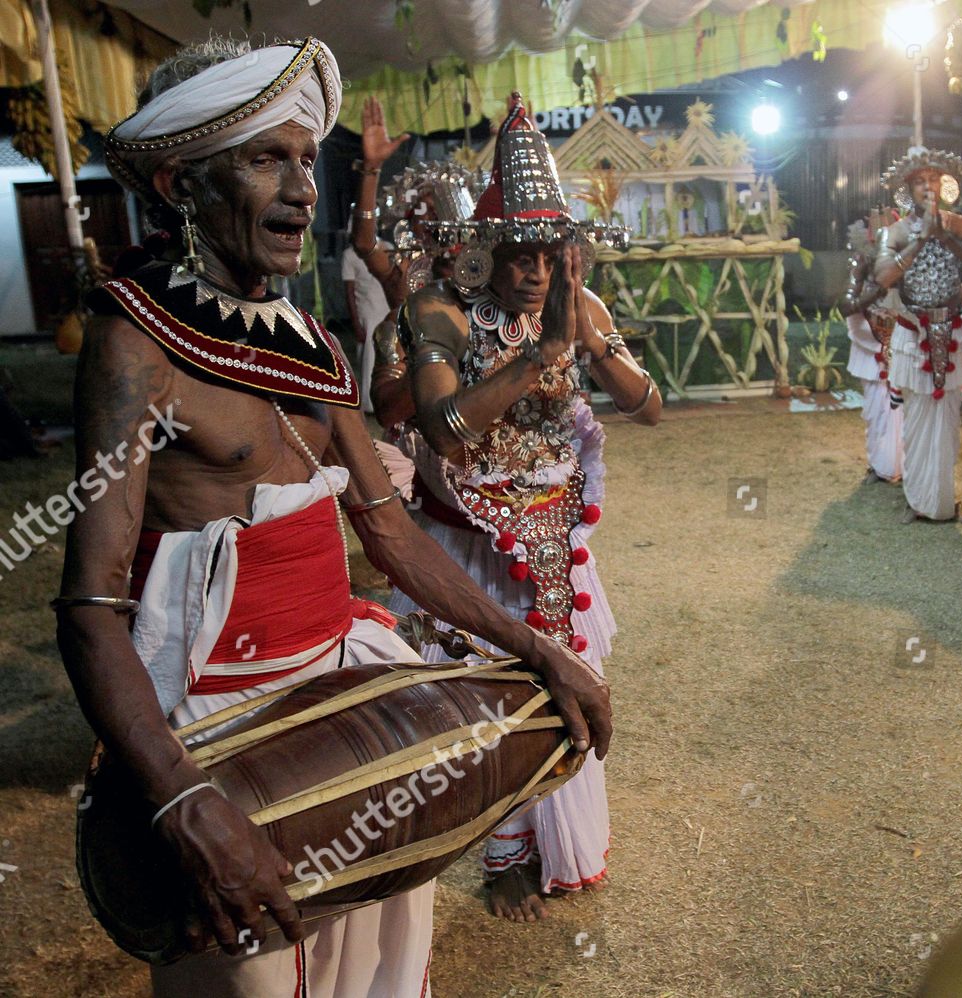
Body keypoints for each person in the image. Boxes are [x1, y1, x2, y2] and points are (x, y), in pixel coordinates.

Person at [59, 39, 610, 995]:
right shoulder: (133, 341)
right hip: (219, 720)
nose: (302, 187)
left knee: (383, 968)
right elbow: (90, 607)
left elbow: (389, 533)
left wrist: (542, 649)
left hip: (350, 691)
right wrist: (181, 791)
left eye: (309, 158)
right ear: (183, 180)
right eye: (265, 158)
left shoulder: (312, 346)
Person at [387, 92, 653, 922]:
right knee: (489, 696)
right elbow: (446, 431)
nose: (535, 270)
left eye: (550, 251)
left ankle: (557, 839)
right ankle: (503, 856)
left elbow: (648, 406)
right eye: (519, 252)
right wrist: (538, 357)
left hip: (556, 537)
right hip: (473, 537)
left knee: (568, 682)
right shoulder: (442, 312)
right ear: (483, 251)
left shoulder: (580, 310)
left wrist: (588, 341)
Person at [871, 147, 962, 523]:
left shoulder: (960, 222)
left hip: (953, 330)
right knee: (919, 421)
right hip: (913, 333)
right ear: (909, 189)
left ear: (944, 184)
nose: (928, 186)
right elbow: (884, 277)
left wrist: (944, 233)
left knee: (948, 424)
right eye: (920, 181)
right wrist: (920, 239)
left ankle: (942, 499)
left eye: (934, 179)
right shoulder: (896, 230)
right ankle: (919, 500)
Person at [839, 210, 902, 483]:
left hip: (905, 341)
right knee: (878, 411)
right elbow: (845, 305)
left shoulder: (905, 258)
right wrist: (876, 291)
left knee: (905, 410)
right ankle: (880, 465)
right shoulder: (862, 260)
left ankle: (905, 464)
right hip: (872, 342)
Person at [341, 221, 391, 413]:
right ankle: (371, 404)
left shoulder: (387, 248)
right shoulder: (349, 256)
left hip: (387, 307)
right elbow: (349, 291)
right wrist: (355, 322)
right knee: (368, 357)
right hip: (367, 311)